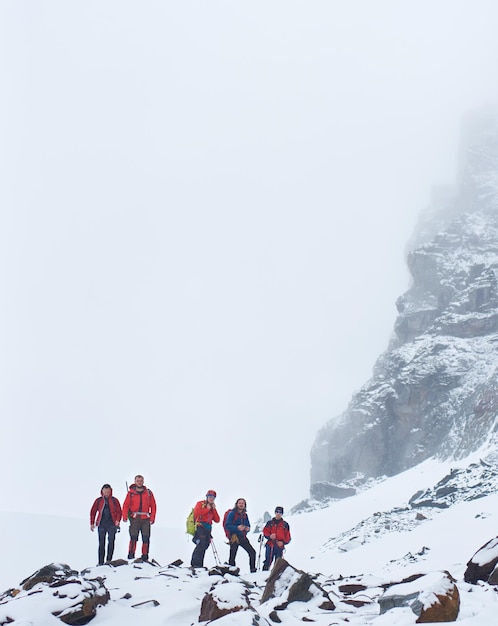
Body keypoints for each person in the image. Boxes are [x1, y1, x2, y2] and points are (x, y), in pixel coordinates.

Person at [122, 475, 157, 561]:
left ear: (143, 481)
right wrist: (125, 516)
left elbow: (153, 505)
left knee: (146, 537)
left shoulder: (149, 493)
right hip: (135, 518)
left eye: (141, 481)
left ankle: (145, 556)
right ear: (135, 481)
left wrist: (152, 517)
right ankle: (131, 555)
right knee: (133, 537)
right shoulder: (130, 493)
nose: (139, 482)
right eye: (138, 481)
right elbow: (125, 505)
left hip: (146, 518)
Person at [90, 484, 122, 565]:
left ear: (111, 491)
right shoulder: (98, 500)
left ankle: (109, 560)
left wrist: (118, 520)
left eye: (108, 492)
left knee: (111, 542)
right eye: (105, 492)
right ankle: (100, 562)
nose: (106, 493)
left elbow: (119, 511)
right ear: (102, 491)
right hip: (101, 524)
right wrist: (92, 523)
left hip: (112, 524)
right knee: (101, 543)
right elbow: (93, 512)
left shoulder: (115, 500)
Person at [225, 498, 257, 573]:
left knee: (252, 552)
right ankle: (232, 571)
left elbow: (248, 525)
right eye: (240, 503)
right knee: (233, 555)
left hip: (242, 537)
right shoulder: (232, 513)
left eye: (243, 503)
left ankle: (252, 570)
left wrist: (247, 528)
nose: (241, 504)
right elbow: (227, 525)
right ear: (237, 504)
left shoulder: (245, 515)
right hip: (234, 536)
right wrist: (237, 528)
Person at [191, 489, 220, 568]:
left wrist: (213, 509)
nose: (211, 498)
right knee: (201, 543)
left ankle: (199, 564)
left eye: (213, 497)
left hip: (208, 528)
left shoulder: (212, 507)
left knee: (205, 545)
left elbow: (217, 520)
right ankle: (195, 564)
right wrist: (207, 509)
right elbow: (196, 513)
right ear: (207, 497)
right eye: (210, 496)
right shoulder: (200, 504)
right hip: (200, 526)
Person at [262, 506, 291, 571]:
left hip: (279, 546)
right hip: (270, 544)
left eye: (280, 512)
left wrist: (283, 542)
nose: (278, 513)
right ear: (275, 512)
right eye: (277, 512)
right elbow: (265, 532)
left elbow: (288, 537)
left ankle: (275, 577)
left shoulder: (285, 524)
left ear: (282, 514)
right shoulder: (270, 523)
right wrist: (270, 536)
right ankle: (263, 575)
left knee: (278, 563)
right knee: (268, 561)